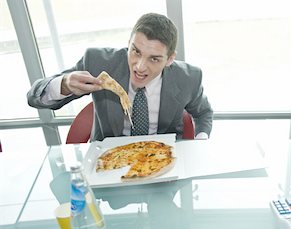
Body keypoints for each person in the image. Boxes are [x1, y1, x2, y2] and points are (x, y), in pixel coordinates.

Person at [27, 13, 213, 141]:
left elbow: (203, 113)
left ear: (170, 59)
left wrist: (201, 139)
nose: (139, 66)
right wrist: (64, 84)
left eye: (154, 59)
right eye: (135, 51)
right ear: (129, 43)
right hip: (108, 163)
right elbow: (34, 98)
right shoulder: (98, 62)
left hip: (162, 162)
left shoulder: (189, 77)